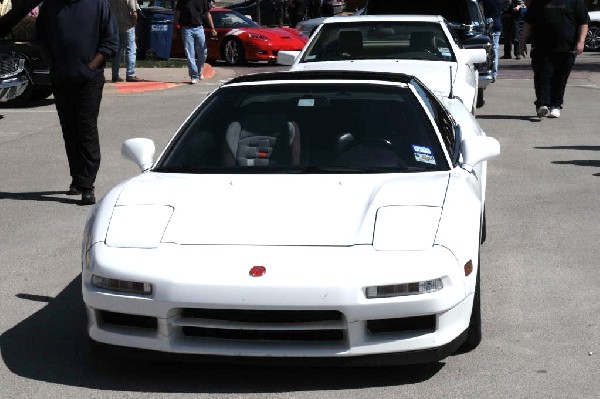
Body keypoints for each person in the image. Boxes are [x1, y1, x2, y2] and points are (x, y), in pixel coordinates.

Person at [36, 0, 118, 205]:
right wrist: (52, 66)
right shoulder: (50, 6)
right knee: (69, 129)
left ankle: (87, 186)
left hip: (89, 80)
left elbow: (111, 41)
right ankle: (77, 179)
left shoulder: (98, 4)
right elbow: (40, 38)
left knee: (86, 128)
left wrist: (91, 66)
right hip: (61, 77)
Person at [519, 0, 589, 118]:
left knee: (560, 78)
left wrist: (581, 42)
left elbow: (583, 22)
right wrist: (522, 42)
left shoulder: (575, 1)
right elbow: (528, 22)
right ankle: (542, 104)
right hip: (542, 47)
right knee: (543, 75)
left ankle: (555, 105)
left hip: (567, 48)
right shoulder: (538, 2)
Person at [174, 0, 217, 84]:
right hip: (186, 28)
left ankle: (198, 70)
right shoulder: (182, 1)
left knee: (203, 52)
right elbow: (177, 15)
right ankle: (194, 76)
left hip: (199, 28)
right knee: (190, 53)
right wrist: (174, 30)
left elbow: (207, 14)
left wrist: (212, 28)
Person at [108, 0, 142, 83]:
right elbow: (133, 13)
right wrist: (134, 24)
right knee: (131, 50)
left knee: (116, 52)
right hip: (127, 26)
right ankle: (130, 74)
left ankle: (115, 75)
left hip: (115, 26)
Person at [482, 0, 510, 80]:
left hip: (487, 23)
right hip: (497, 23)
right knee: (495, 48)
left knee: (485, 48)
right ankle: (494, 72)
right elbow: (506, 7)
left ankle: (486, 69)